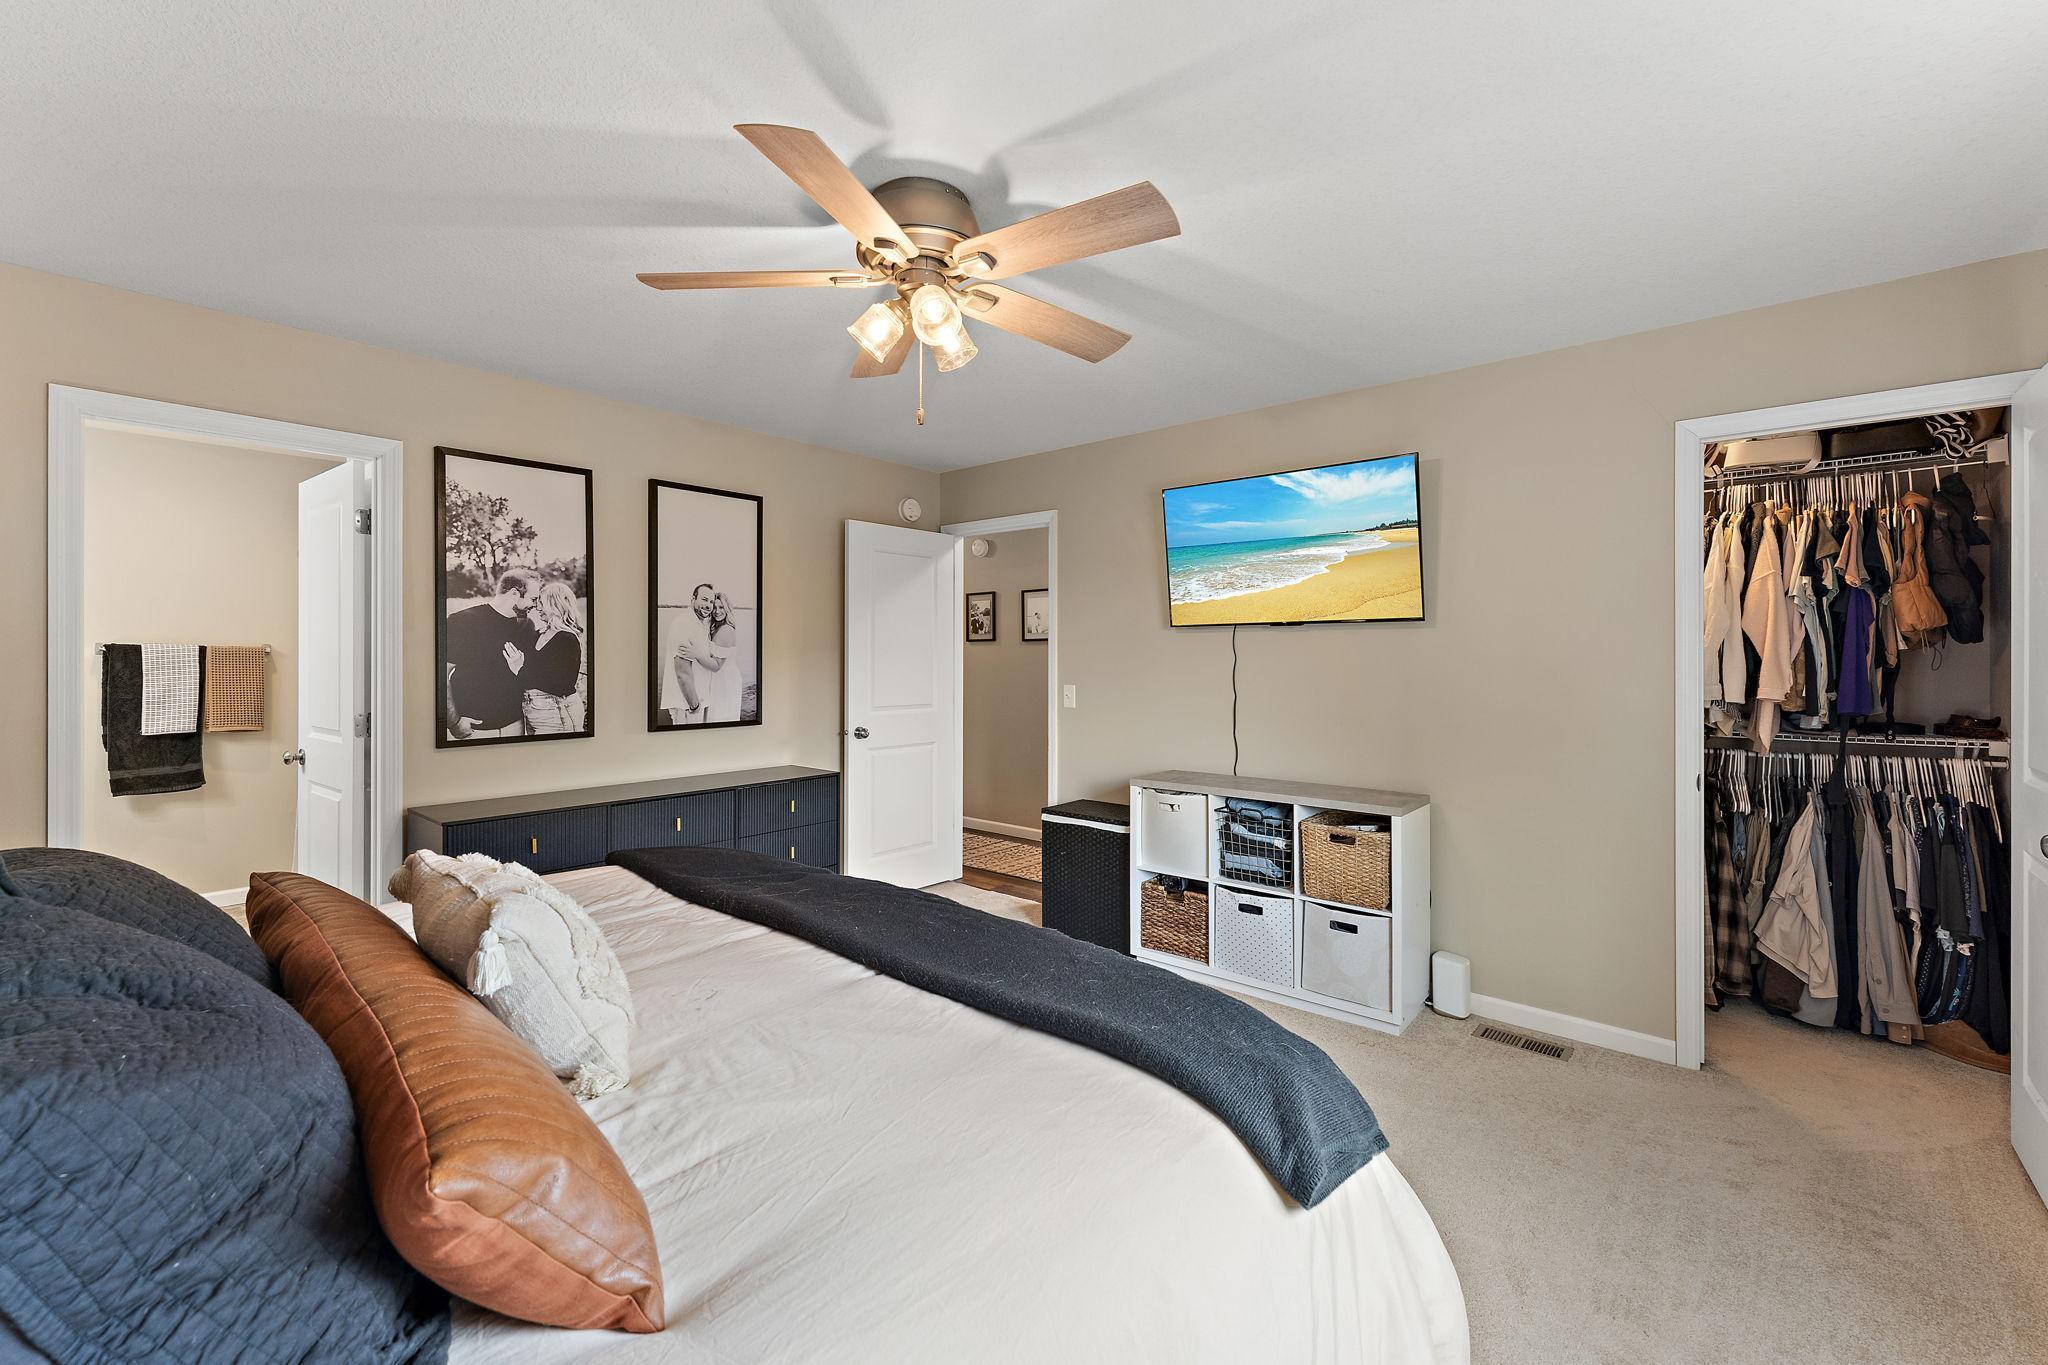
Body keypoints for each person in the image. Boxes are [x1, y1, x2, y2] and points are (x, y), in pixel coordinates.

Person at [444, 567, 541, 739]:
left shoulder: (527, 626)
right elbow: (439, 675)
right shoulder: (461, 621)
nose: (535, 605)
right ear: (514, 593)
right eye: (533, 599)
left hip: (516, 726)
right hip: (474, 730)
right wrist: (453, 722)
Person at [515, 578, 587, 734]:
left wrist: (520, 669)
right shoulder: (539, 634)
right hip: (533, 712)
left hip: (559, 712)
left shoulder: (567, 638)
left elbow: (561, 684)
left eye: (541, 603)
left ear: (555, 605)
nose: (537, 607)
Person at [659, 583, 715, 724]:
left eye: (711, 602)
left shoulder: (699, 624)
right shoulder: (683, 625)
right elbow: (683, 674)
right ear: (693, 599)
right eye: (704, 599)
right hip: (686, 706)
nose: (708, 605)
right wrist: (694, 705)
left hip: (696, 702)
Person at [695, 589, 744, 723]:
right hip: (718, 679)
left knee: (720, 719)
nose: (717, 611)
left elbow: (716, 666)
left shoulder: (727, 630)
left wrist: (695, 654)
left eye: (721, 607)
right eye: (714, 607)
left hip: (725, 681)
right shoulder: (716, 627)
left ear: (727, 608)